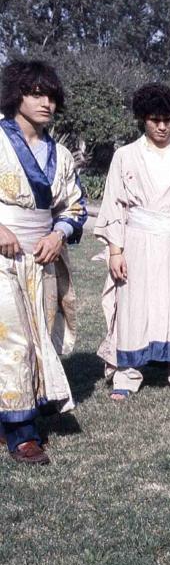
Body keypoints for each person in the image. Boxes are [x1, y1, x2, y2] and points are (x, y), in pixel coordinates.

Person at [93, 83, 170, 401]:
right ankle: (128, 373)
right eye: (154, 119)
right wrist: (116, 251)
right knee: (135, 304)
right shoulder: (125, 156)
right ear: (143, 119)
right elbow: (114, 205)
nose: (161, 126)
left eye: (168, 119)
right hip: (138, 240)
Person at [0, 59, 86, 465]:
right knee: (10, 340)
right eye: (36, 93)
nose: (45, 102)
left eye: (51, 96)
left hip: (42, 257)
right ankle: (22, 433)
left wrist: (58, 234)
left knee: (38, 339)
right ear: (17, 94)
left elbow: (74, 207)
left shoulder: (62, 155)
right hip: (2, 255)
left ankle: (21, 414)